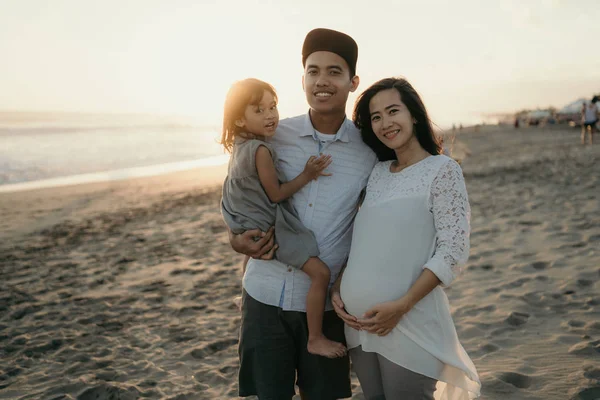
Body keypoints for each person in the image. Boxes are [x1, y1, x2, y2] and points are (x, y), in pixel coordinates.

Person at [226, 28, 378, 399]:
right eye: (313, 71)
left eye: (334, 72)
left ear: (353, 81)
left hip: (326, 305)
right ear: (303, 78)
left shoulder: (369, 148)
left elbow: (378, 220)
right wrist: (236, 240)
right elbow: (240, 195)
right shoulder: (273, 136)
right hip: (263, 296)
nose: (322, 81)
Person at [330, 77, 481, 399]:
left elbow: (453, 250)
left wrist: (402, 305)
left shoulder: (442, 170)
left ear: (413, 114)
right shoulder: (377, 173)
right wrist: (340, 283)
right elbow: (364, 242)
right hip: (358, 325)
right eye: (376, 117)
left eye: (393, 111)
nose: (385, 123)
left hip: (409, 322)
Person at [220, 77, 347, 359]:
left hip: (250, 226)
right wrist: (308, 174)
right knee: (321, 273)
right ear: (240, 120)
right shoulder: (261, 150)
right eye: (259, 110)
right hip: (271, 227)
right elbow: (276, 194)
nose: (271, 115)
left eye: (272, 106)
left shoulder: (239, 149)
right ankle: (315, 338)